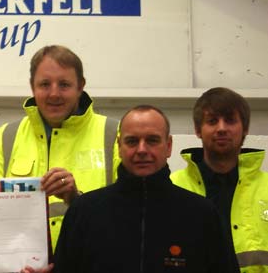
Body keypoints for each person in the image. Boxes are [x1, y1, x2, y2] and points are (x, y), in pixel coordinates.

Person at [53, 105, 240, 273]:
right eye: (132, 141)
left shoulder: (202, 214)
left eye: (152, 140)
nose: (141, 150)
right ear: (119, 146)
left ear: (168, 146)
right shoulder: (84, 211)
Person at [0, 45, 119, 252]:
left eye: (64, 84)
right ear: (32, 86)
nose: (54, 94)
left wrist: (77, 200)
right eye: (45, 84)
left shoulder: (114, 135)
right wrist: (13, 257)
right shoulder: (4, 138)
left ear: (80, 86)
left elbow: (128, 213)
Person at [171, 87, 268, 272]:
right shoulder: (174, 186)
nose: (221, 128)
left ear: (245, 129)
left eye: (230, 120)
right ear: (198, 130)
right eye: (212, 121)